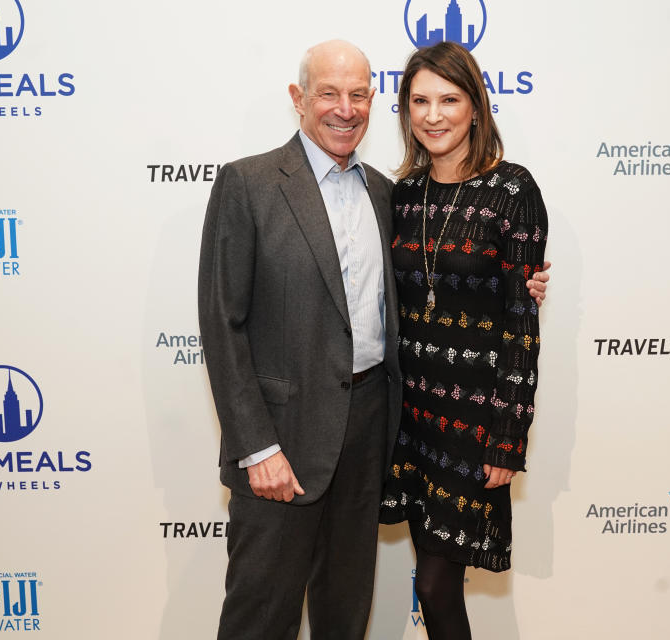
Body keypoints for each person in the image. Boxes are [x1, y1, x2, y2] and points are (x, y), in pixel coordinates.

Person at [199, 40, 549, 640]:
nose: (345, 108)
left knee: (345, 612)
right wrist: (256, 447)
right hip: (286, 439)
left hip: (374, 431)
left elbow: (453, 293)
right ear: (298, 99)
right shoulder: (250, 183)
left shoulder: (386, 191)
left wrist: (520, 289)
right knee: (260, 616)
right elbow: (221, 324)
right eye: (329, 93)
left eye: (358, 94)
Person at [379, 42, 548, 640]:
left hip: (474, 420)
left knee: (433, 584)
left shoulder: (513, 191)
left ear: (476, 105)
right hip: (411, 417)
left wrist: (508, 436)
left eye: (449, 99)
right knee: (433, 581)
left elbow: (521, 325)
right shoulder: (402, 195)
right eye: (419, 100)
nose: (433, 115)